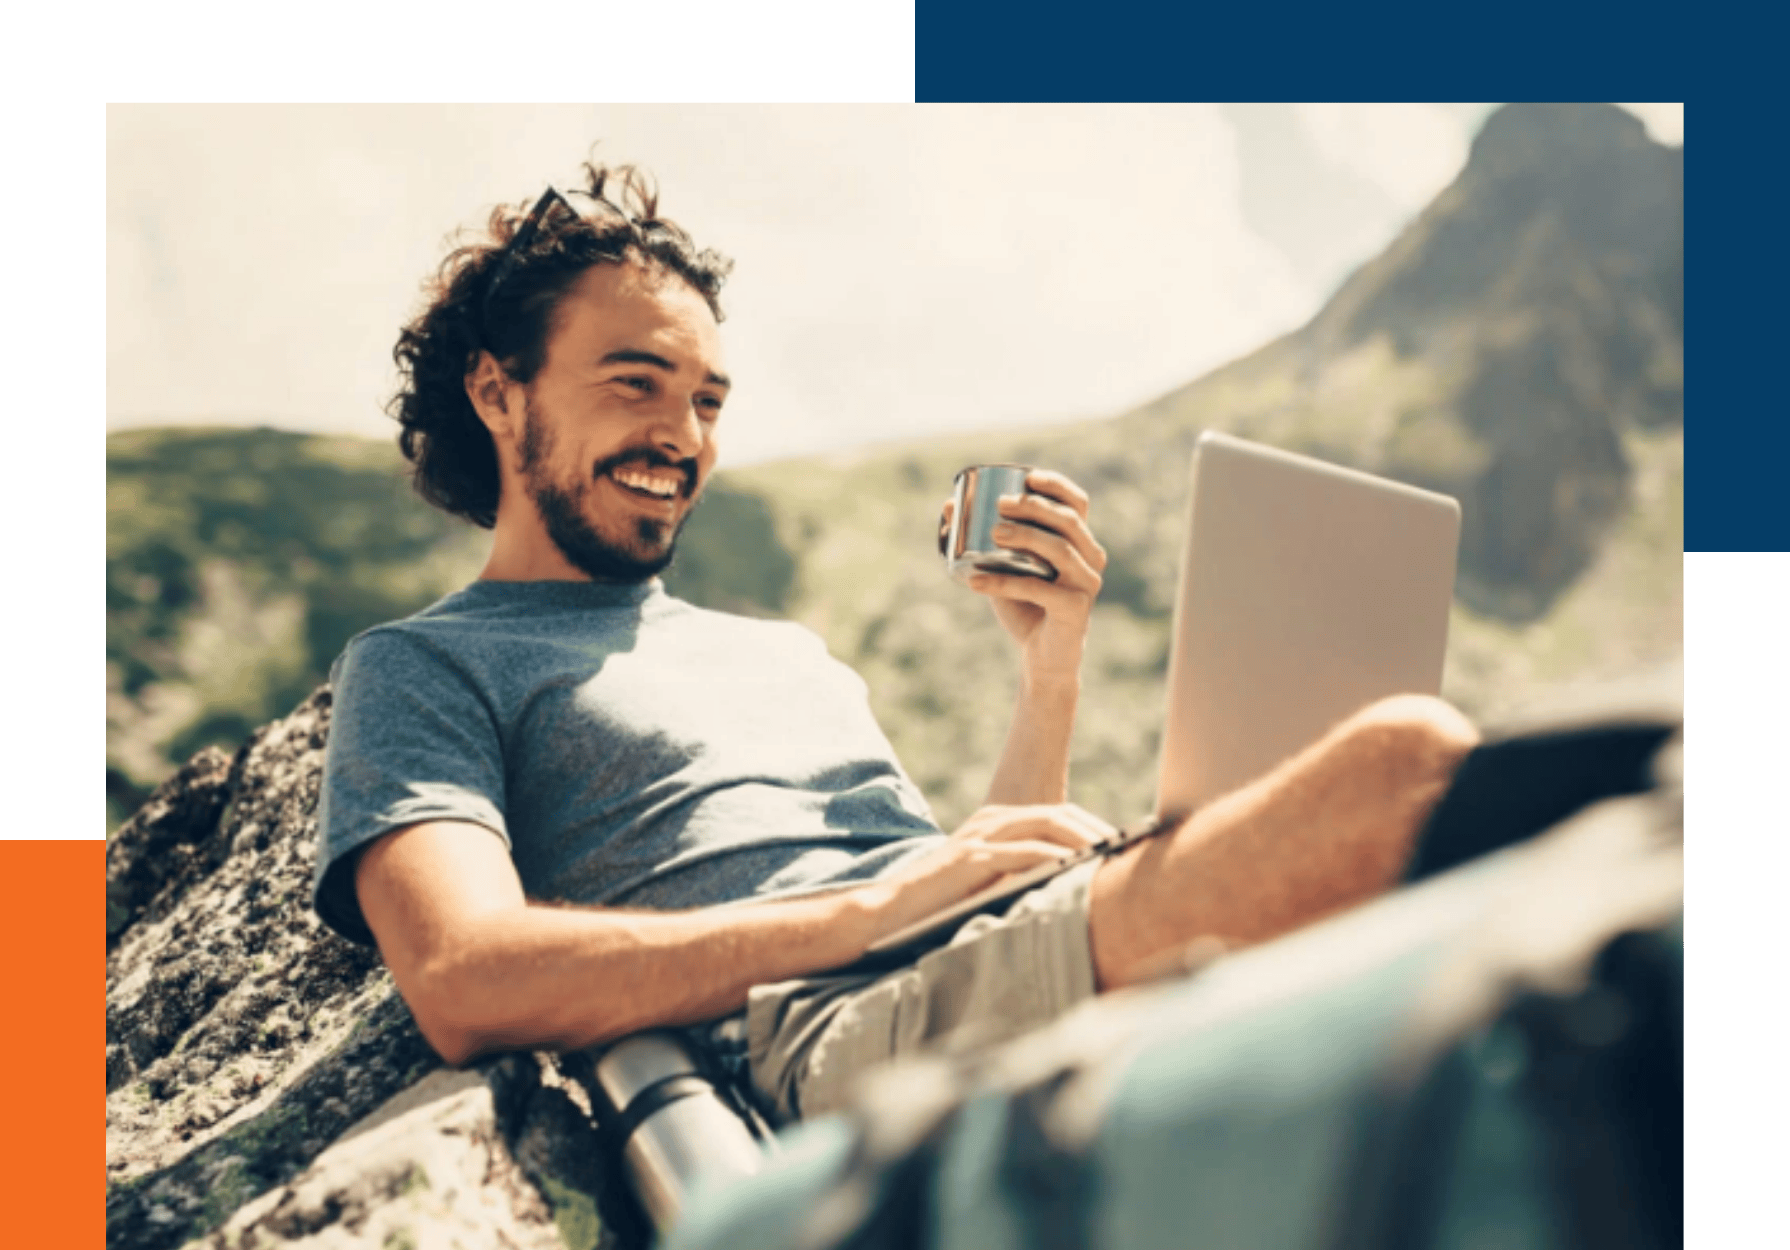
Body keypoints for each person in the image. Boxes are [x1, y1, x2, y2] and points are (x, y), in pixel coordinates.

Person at [313, 163, 1478, 1122]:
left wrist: (1047, 671)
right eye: (636, 384)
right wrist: (874, 918)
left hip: (957, 969)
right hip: (827, 1033)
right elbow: (464, 979)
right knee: (1410, 770)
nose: (681, 436)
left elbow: (962, 872)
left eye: (709, 401)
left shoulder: (789, 659)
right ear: (495, 390)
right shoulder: (424, 665)